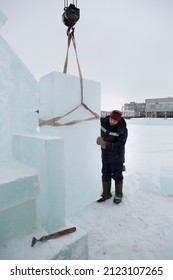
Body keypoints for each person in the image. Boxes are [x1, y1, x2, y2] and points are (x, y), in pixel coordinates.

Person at [96, 110, 128, 204]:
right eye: (111, 119)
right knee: (105, 173)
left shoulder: (122, 129)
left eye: (115, 120)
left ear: (118, 120)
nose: (112, 121)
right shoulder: (103, 122)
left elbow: (120, 144)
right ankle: (106, 193)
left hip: (116, 157)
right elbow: (94, 119)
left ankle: (118, 194)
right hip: (105, 155)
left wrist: (105, 144)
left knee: (117, 175)